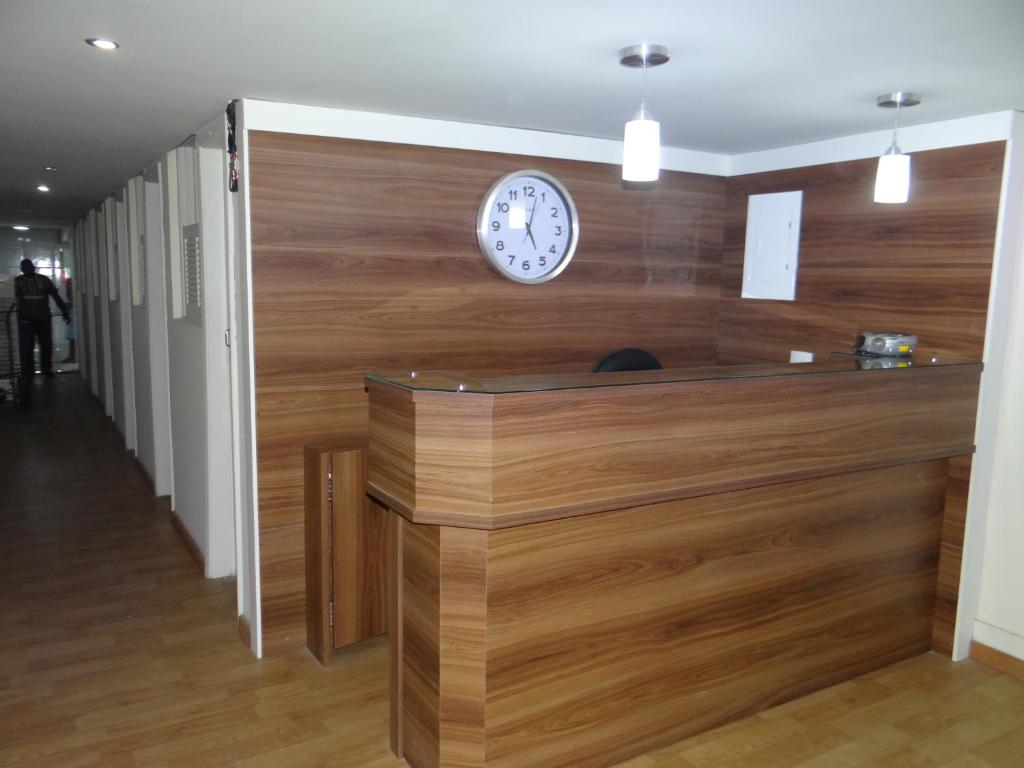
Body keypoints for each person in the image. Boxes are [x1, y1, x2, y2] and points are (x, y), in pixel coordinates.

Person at [14, 259, 69, 408]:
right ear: (22, 269)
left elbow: (55, 296)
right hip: (26, 320)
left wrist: (64, 311)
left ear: (33, 267)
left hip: (43, 319)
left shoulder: (44, 280)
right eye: (24, 268)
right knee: (28, 347)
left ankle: (47, 369)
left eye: (29, 267)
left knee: (46, 345)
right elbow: (13, 300)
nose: (27, 270)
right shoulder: (18, 282)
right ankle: (29, 373)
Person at [61, 277, 76, 363]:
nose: (68, 285)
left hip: (74, 315)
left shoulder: (72, 292)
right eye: (68, 284)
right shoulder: (68, 292)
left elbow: (72, 302)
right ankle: (71, 356)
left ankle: (72, 356)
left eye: (69, 284)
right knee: (71, 339)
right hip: (71, 316)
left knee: (73, 338)